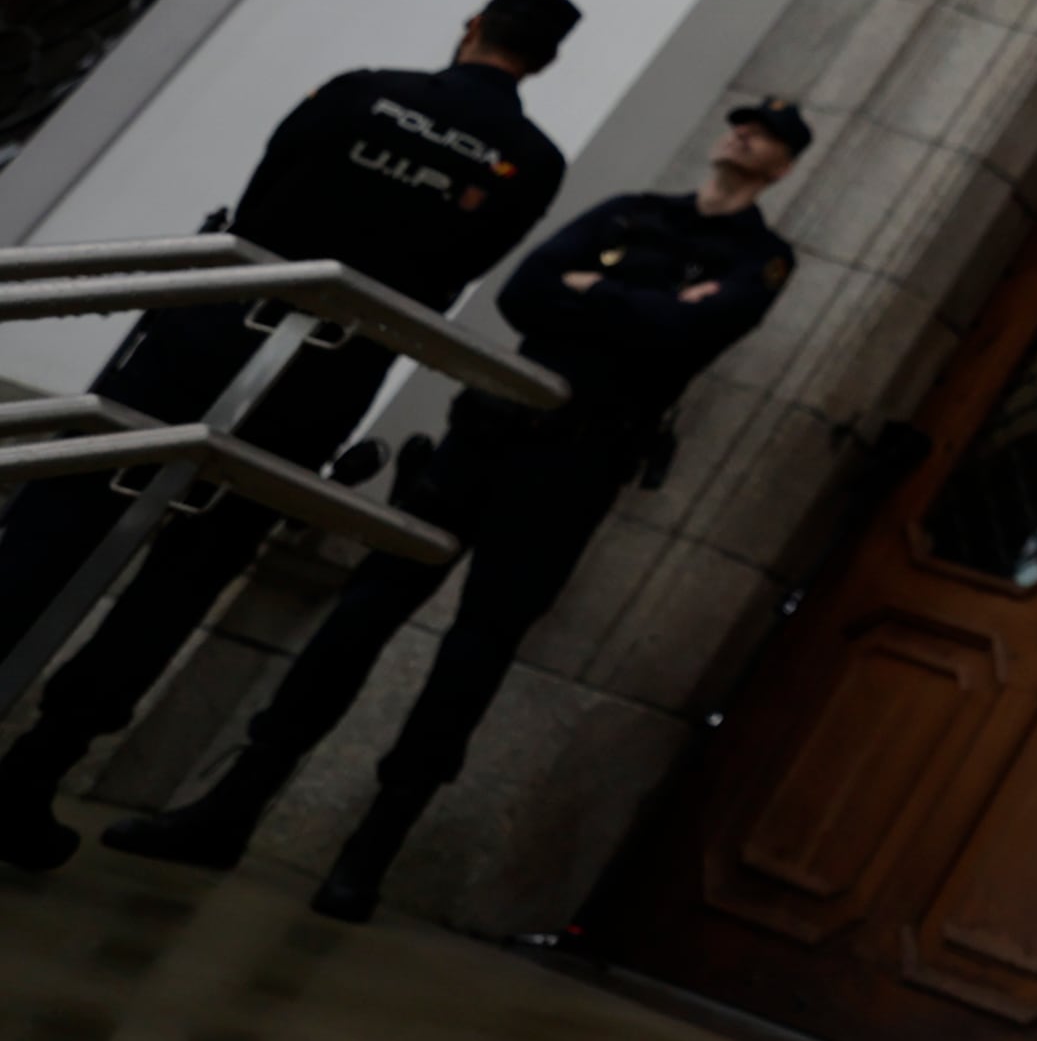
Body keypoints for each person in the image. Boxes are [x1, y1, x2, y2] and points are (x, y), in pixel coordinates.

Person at [107, 98, 807, 922]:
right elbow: (526, 294)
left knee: (474, 653)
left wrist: (598, 291)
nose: (739, 134)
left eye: (761, 134)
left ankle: (368, 855)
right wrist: (642, 302)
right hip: (488, 436)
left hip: (577, 464)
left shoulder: (760, 258)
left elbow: (684, 337)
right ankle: (231, 805)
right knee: (359, 617)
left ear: (781, 164)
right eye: (738, 122)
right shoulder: (630, 213)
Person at [0, 0, 579, 875]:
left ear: (471, 24)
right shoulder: (531, 161)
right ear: (543, 60)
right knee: (194, 564)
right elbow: (457, 273)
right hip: (325, 373)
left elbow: (264, 194)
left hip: (208, 320)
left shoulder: (358, 89)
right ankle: (34, 771)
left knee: (64, 504)